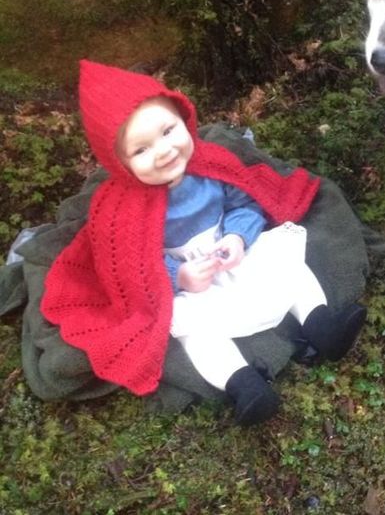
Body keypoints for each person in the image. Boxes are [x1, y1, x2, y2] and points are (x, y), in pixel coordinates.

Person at [41, 60, 366, 425]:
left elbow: (245, 203)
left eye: (168, 131)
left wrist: (237, 236)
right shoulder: (118, 209)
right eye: (141, 150)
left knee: (287, 262)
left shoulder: (210, 164)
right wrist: (178, 275)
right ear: (119, 163)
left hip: (231, 256)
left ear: (184, 119)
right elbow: (130, 269)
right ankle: (242, 384)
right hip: (191, 287)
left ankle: (321, 323)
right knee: (191, 332)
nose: (163, 151)